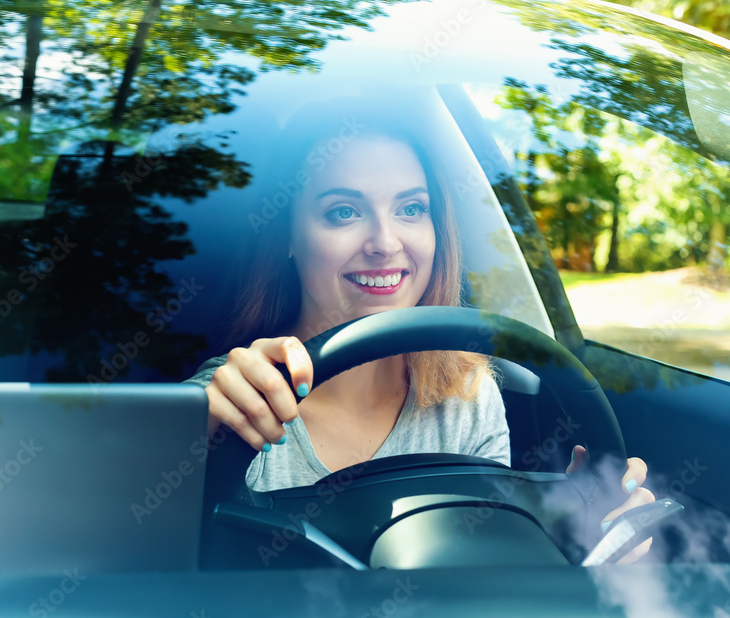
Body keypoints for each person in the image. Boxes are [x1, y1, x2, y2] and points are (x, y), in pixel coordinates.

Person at [184, 101, 654, 561]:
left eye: (411, 209)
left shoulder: (469, 396)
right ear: (286, 234)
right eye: (343, 212)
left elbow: (480, 582)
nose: (386, 244)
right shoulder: (236, 397)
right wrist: (190, 438)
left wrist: (583, 547)